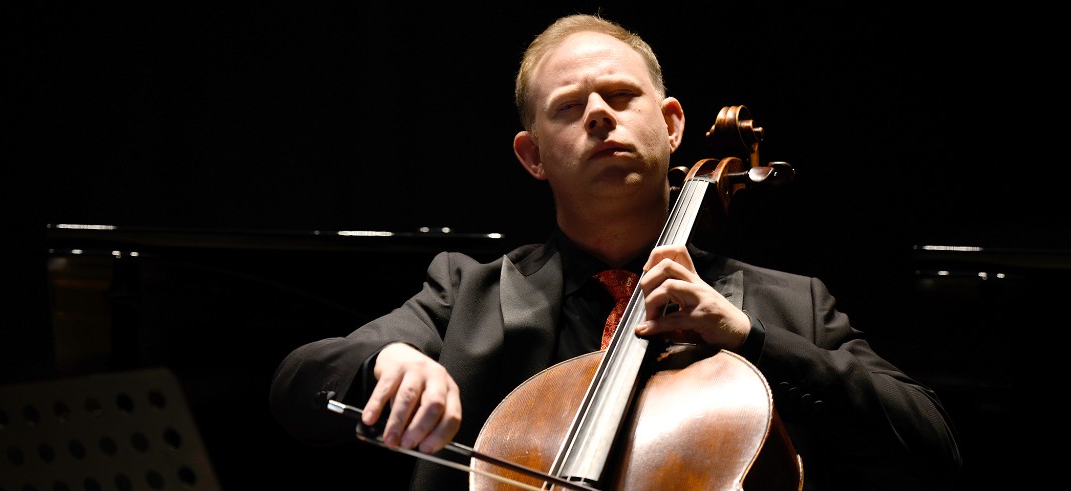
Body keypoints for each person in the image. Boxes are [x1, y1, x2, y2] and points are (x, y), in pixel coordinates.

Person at [270, 13, 962, 491]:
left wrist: (751, 341)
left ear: (671, 125)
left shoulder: (789, 303)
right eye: (569, 107)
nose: (600, 113)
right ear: (532, 156)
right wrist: (381, 359)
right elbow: (298, 384)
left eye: (622, 96)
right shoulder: (468, 294)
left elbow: (934, 451)